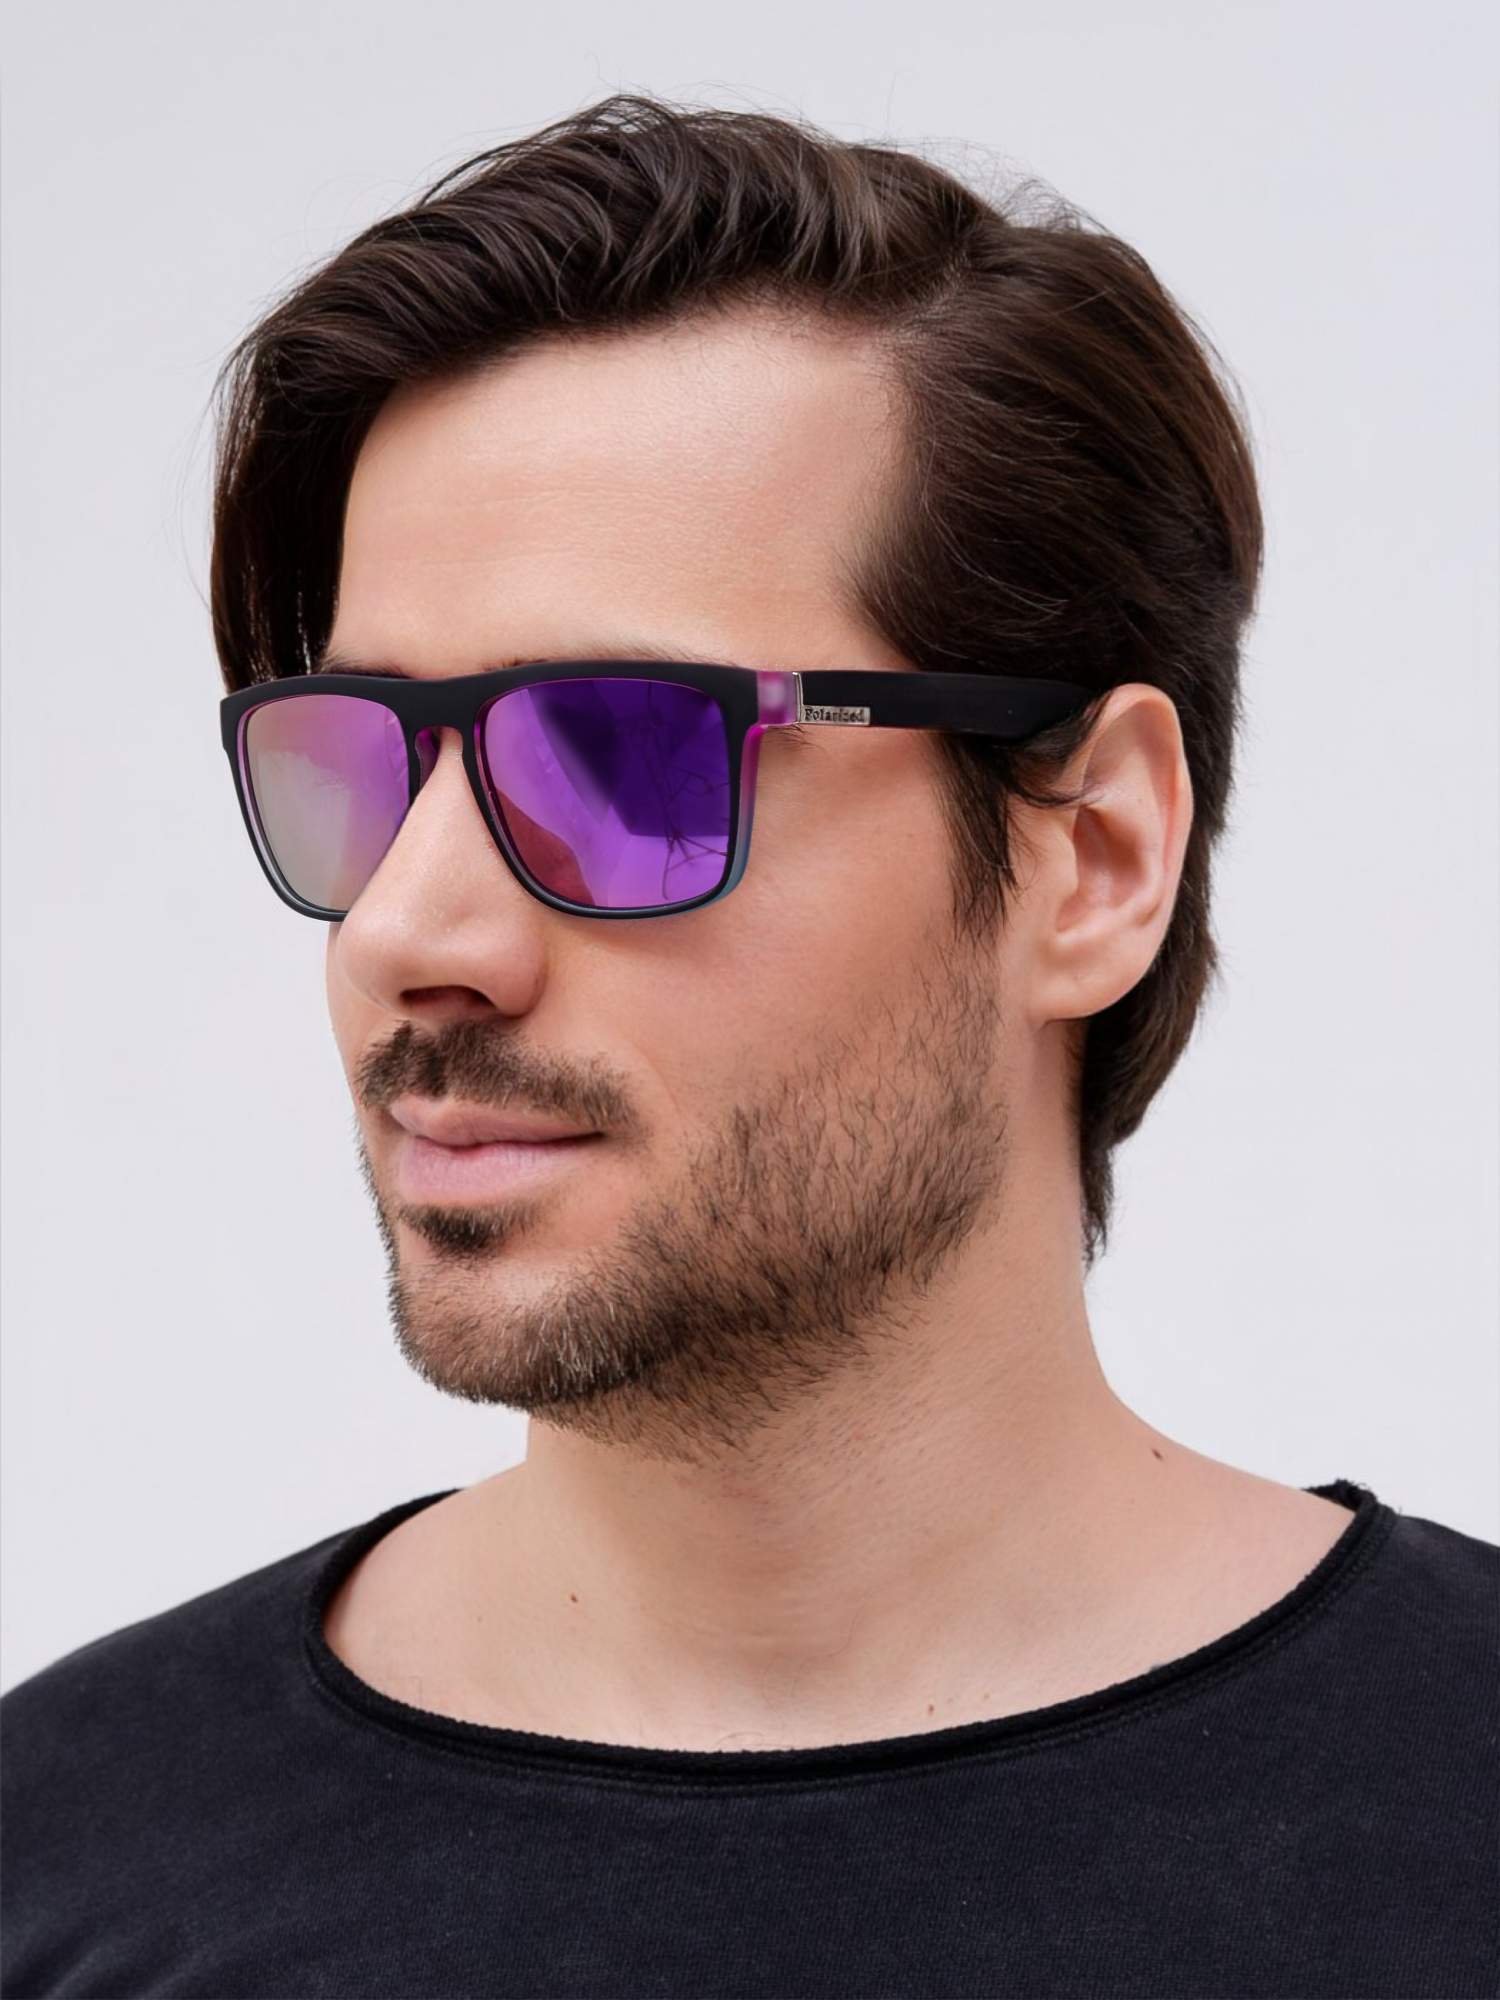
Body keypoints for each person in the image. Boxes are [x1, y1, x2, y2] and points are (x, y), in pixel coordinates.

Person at [3, 94, 1494, 2000]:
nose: (406, 934)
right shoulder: (61, 1861)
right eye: (364, 759)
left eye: (624, 755)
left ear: (1095, 857)